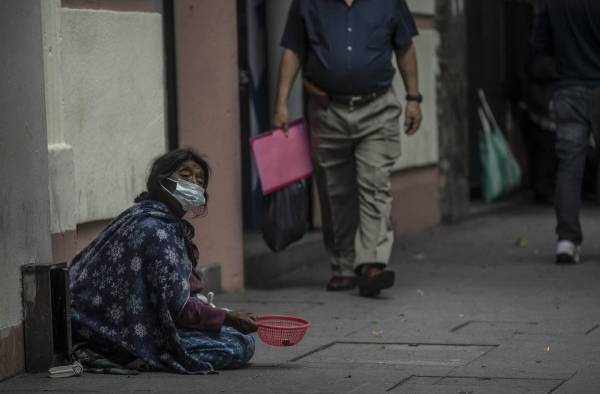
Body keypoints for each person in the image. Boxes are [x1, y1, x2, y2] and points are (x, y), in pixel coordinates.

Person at [272, 0, 423, 297]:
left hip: (377, 107)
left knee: (374, 184)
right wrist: (280, 104)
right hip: (328, 110)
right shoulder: (307, 4)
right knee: (334, 191)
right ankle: (342, 266)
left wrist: (414, 98)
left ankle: (371, 264)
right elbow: (293, 51)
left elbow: (405, 47)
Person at [69, 149, 257, 373]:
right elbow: (175, 309)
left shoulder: (148, 217)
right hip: (113, 332)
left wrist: (217, 313)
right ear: (162, 180)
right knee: (237, 345)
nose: (194, 184)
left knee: (234, 336)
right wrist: (227, 317)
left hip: (99, 323)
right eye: (185, 176)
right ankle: (137, 356)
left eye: (200, 180)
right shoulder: (156, 230)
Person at [530, 0, 600, 264]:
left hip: (568, 90)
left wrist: (563, 67)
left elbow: (538, 49)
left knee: (569, 167)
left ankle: (567, 241)